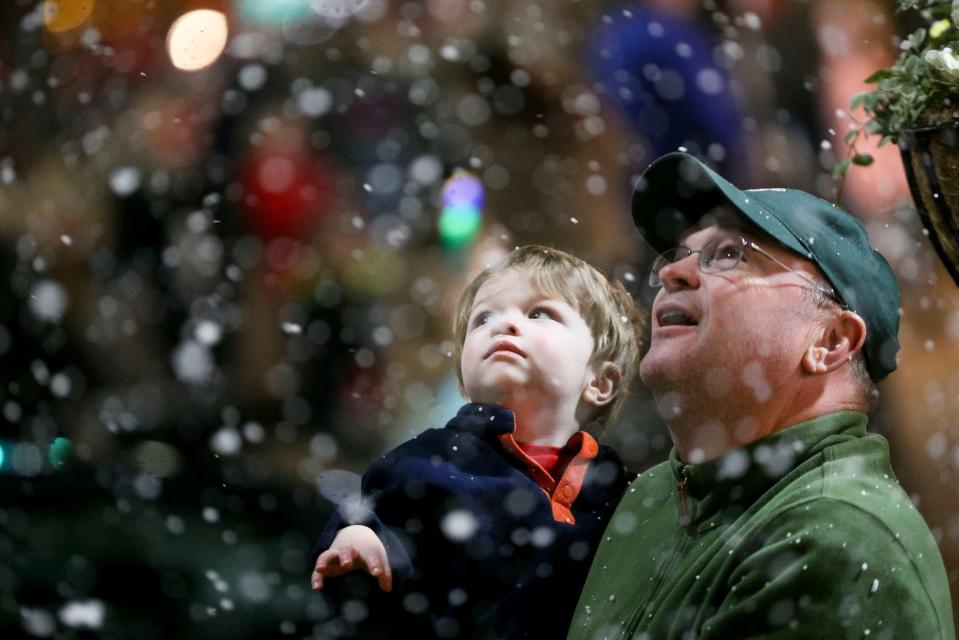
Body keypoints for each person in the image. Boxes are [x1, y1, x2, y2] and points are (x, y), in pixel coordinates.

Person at [568, 152, 955, 639]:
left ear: (829, 342)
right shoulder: (652, 495)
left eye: (729, 254)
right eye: (680, 255)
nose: (672, 274)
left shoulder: (836, 536)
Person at [310, 245, 643, 639]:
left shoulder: (625, 494)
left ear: (600, 382)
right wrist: (361, 538)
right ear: (463, 380)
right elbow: (366, 507)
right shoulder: (430, 459)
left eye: (540, 313)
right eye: (483, 318)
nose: (504, 325)